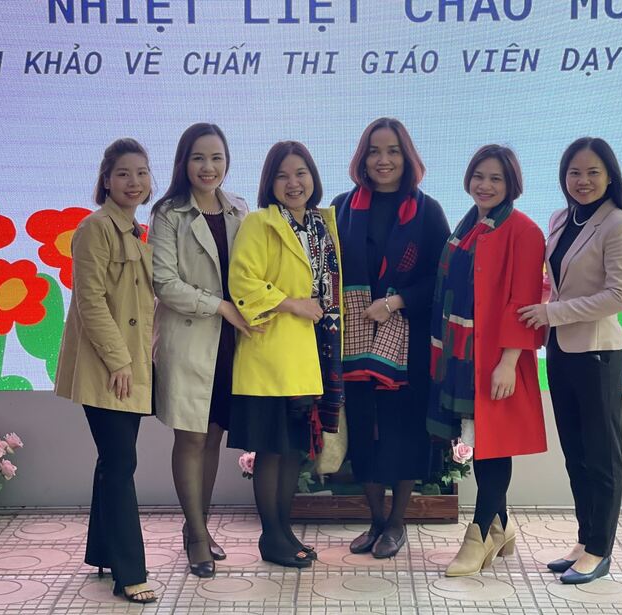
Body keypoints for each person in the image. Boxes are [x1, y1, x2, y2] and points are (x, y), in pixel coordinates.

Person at [519, 137, 622, 584]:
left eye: (593, 172)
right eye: (574, 172)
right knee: (576, 454)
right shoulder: (560, 218)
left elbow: (619, 296)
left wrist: (552, 312)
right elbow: (556, 280)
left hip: (598, 355)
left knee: (602, 456)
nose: (583, 180)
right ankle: (585, 539)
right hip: (561, 350)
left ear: (610, 176)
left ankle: (600, 549)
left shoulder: (621, 224)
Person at [427, 145, 547, 576]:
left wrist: (509, 362)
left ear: (511, 183)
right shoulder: (468, 227)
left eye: (496, 178)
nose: (485, 185)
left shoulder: (524, 231)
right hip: (462, 355)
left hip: (496, 357)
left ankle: (477, 537)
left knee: (493, 447)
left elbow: (524, 301)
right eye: (479, 176)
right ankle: (502, 526)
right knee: (481, 443)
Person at [333, 118, 449, 559]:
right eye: (374, 151)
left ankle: (397, 521)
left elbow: (440, 279)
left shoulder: (428, 210)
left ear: (407, 157)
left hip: (408, 340)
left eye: (393, 151)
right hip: (354, 339)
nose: (383, 160)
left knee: (403, 431)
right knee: (363, 429)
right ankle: (376, 521)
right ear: (362, 158)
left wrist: (397, 301)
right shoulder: (342, 207)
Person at [228, 141, 343, 568]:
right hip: (271, 353)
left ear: (313, 177)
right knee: (272, 450)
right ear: (269, 182)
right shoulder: (260, 223)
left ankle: (283, 531)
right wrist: (293, 304)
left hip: (310, 355)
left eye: (301, 173)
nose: (293, 183)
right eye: (282, 175)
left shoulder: (321, 225)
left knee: (294, 448)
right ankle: (271, 536)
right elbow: (242, 281)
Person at [54, 138, 156, 604]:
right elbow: (89, 301)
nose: (134, 182)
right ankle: (129, 573)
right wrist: (119, 361)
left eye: (141, 172)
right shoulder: (95, 228)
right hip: (109, 367)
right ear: (106, 180)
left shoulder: (136, 231)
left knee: (114, 460)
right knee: (120, 464)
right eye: (123, 174)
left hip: (131, 365)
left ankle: (103, 552)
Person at [149, 123, 253, 578]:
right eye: (198, 158)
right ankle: (194, 534)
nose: (208, 167)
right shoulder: (168, 213)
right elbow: (164, 282)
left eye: (216, 158)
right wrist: (221, 306)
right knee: (190, 437)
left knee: (212, 436)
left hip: (231, 343)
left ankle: (200, 526)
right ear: (183, 162)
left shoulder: (239, 209)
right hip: (190, 338)